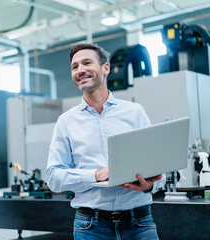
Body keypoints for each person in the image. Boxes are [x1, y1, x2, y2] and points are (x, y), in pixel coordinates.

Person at [45, 43, 166, 240]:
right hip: (91, 227)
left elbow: (160, 170)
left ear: (106, 68)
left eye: (87, 63)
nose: (80, 70)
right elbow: (53, 177)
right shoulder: (66, 122)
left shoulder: (134, 112)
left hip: (139, 223)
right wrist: (95, 175)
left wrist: (149, 185)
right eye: (75, 67)